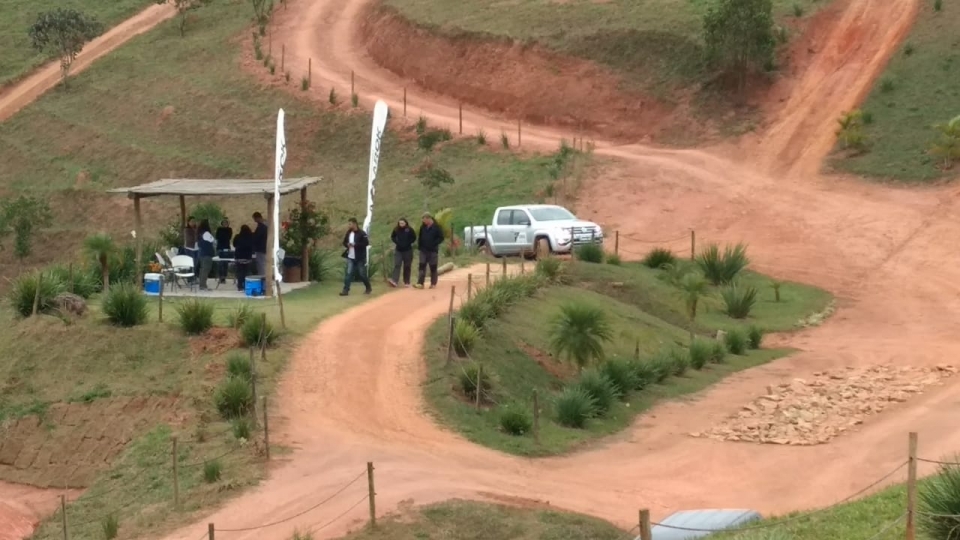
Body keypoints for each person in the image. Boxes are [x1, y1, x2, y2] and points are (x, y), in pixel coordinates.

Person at [340, 218, 371, 296]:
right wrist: (347, 244)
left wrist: (355, 244)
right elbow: (344, 242)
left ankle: (368, 287)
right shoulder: (348, 233)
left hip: (360, 257)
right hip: (350, 256)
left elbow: (366, 243)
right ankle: (345, 290)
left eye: (350, 224)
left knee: (362, 274)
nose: (348, 225)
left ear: (354, 224)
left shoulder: (362, 233)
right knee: (348, 273)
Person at [414, 212, 444, 289]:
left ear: (429, 218)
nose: (423, 221)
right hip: (423, 250)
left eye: (424, 220)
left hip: (433, 250)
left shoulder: (437, 227)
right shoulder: (422, 227)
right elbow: (420, 237)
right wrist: (420, 247)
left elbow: (441, 238)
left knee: (433, 267)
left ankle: (433, 283)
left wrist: (434, 243)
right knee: (421, 266)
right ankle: (420, 283)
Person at [388, 218, 417, 288]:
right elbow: (393, 236)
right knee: (397, 264)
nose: (401, 224)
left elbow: (414, 237)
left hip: (408, 250)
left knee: (407, 266)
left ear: (405, 223)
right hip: (399, 250)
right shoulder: (396, 229)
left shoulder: (409, 229)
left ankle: (406, 281)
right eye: (400, 223)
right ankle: (394, 281)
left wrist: (409, 242)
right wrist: (397, 242)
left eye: (402, 223)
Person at [232, 224, 255, 292]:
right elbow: (253, 245)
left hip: (239, 256)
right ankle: (246, 285)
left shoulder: (237, 236)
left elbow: (234, 244)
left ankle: (240, 286)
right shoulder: (251, 237)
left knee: (240, 272)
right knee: (246, 272)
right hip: (247, 257)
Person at [197, 219, 216, 290]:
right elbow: (213, 240)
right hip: (207, 254)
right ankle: (203, 285)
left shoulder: (200, 233)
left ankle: (201, 284)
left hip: (201, 253)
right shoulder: (206, 233)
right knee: (206, 269)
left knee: (202, 269)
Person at [215, 218, 233, 284]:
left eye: (226, 223)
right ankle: (220, 277)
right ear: (222, 223)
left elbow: (229, 237)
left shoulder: (229, 229)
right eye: (224, 223)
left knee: (225, 263)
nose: (225, 224)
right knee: (220, 263)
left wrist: (223, 236)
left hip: (226, 247)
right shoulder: (219, 229)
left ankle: (224, 277)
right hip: (220, 247)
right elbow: (217, 237)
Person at [252, 212, 268, 277]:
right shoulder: (262, 225)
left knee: (261, 264)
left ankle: (262, 277)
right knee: (261, 264)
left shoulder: (262, 226)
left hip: (261, 248)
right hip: (262, 247)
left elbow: (257, 236)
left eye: (254, 219)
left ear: (258, 218)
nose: (254, 220)